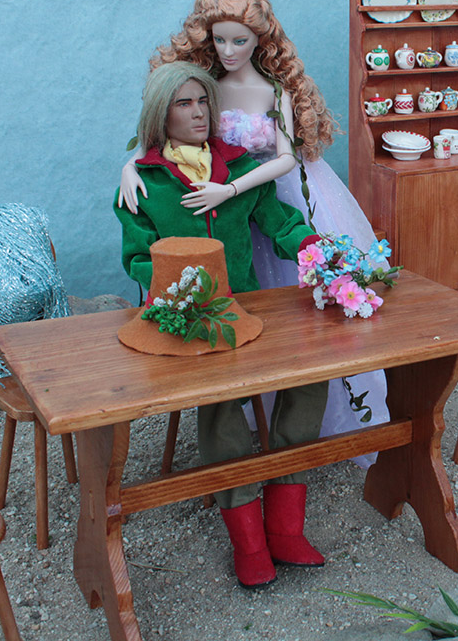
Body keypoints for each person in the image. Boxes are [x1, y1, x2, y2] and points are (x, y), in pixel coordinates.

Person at [118, 0, 388, 443]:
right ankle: (241, 420)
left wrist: (232, 188)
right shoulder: (203, 88)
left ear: (260, 40)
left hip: (263, 189)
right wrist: (131, 166)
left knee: (294, 308)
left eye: (239, 41)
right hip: (219, 194)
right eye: (220, 40)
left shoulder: (273, 91)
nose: (228, 51)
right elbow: (162, 129)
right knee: (238, 297)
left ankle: (306, 422)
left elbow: (284, 160)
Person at [115, 61, 326, 589]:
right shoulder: (145, 183)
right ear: (160, 115)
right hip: (184, 318)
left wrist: (315, 252)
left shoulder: (237, 168)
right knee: (219, 403)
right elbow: (136, 257)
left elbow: (280, 222)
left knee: (311, 376)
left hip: (248, 307)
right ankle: (249, 542)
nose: (198, 113)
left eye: (203, 101)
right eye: (183, 103)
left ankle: (285, 527)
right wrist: (174, 292)